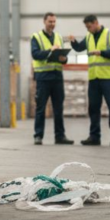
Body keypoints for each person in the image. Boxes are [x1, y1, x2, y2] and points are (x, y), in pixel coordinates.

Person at [69, 14, 110, 147]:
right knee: (93, 108)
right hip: (94, 78)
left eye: (89, 26)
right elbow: (79, 48)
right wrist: (73, 42)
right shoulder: (89, 37)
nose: (88, 30)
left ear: (95, 23)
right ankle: (94, 136)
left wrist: (102, 52)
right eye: (86, 27)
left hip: (109, 78)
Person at [31, 12, 73, 145]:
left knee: (58, 108)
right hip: (43, 78)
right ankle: (38, 136)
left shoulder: (59, 37)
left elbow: (63, 57)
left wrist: (64, 58)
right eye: (50, 22)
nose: (52, 24)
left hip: (57, 77)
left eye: (54, 22)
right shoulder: (36, 37)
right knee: (41, 108)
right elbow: (35, 54)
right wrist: (50, 50)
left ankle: (60, 136)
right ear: (44, 21)